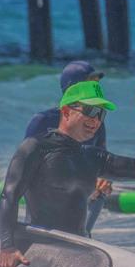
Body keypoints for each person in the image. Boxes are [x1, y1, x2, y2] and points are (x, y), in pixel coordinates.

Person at [0, 81, 135, 267]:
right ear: (67, 111)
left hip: (80, 250)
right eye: (91, 111)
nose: (96, 120)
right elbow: (9, 196)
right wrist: (7, 247)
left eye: (101, 114)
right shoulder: (35, 147)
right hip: (41, 246)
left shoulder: (93, 157)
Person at [24, 61, 112, 234]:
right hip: (46, 199)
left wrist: (104, 179)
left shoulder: (97, 124)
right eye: (91, 84)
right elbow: (26, 167)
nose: (96, 89)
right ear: (72, 88)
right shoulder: (42, 121)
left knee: (99, 189)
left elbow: (102, 164)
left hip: (81, 199)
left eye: (97, 84)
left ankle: (83, 237)